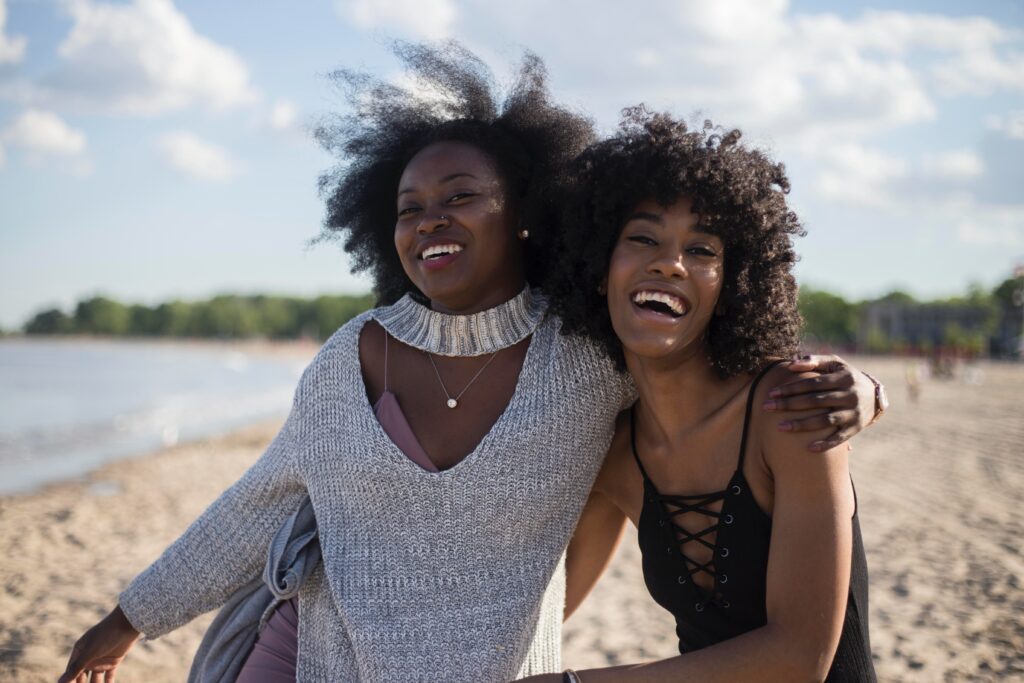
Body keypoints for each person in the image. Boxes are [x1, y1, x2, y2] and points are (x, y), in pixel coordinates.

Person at [59, 46, 880, 683]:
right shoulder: (347, 360)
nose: (431, 221)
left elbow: (711, 375)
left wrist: (866, 391)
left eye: (460, 196)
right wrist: (126, 619)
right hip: (315, 659)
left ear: (526, 216)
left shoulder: (589, 360)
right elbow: (254, 506)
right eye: (409, 208)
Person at [530, 109, 877, 682]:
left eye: (702, 251)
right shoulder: (613, 452)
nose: (669, 262)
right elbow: (541, 608)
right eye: (643, 238)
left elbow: (799, 658)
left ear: (733, 284)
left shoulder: (790, 410)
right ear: (598, 268)